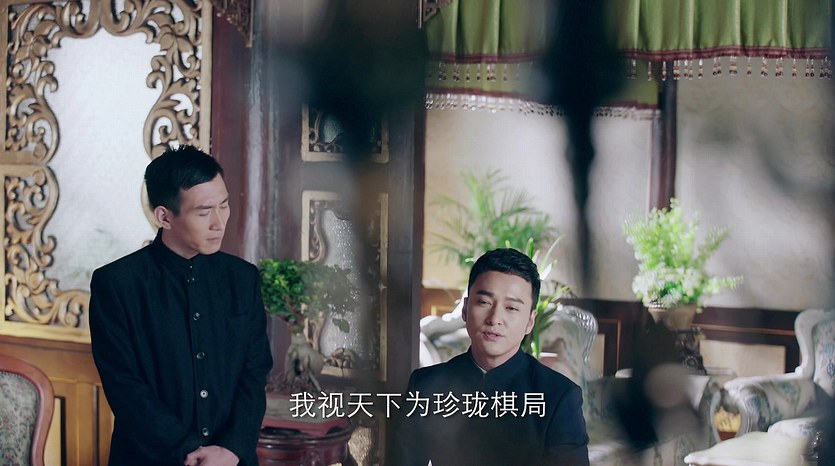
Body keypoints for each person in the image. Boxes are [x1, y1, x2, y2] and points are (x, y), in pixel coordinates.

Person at [89, 145, 273, 466]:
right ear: (164, 216)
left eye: (224, 205)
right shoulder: (117, 284)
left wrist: (231, 449)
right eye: (204, 212)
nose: (219, 222)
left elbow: (254, 372)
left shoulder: (242, 278)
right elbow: (125, 386)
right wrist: (191, 451)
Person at [395, 248, 589, 466]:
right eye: (484, 302)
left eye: (511, 307)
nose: (495, 318)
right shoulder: (426, 385)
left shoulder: (559, 396)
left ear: (530, 321)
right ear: (465, 309)